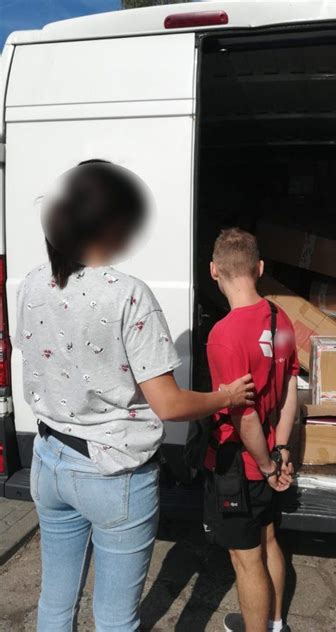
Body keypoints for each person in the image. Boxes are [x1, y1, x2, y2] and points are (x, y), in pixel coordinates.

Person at [14, 161, 254, 632]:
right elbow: (168, 405)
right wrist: (225, 398)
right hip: (113, 473)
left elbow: (37, 358)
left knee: (55, 602)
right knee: (115, 619)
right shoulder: (128, 295)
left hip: (49, 460)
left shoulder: (31, 283)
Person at [203, 228, 298, 632]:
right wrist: (282, 452)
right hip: (271, 449)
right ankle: (275, 624)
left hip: (241, 464)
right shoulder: (281, 318)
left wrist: (264, 464)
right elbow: (292, 388)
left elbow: (243, 417)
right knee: (269, 541)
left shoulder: (223, 336)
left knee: (246, 559)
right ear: (260, 268)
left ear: (213, 271)